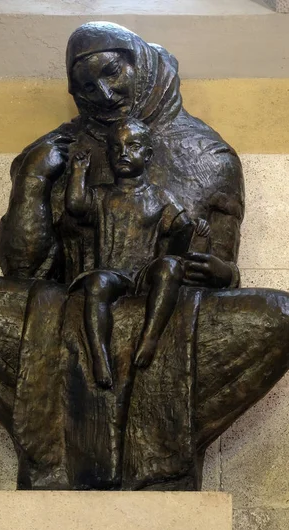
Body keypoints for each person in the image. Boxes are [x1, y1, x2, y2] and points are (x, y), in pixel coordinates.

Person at [0, 22, 289, 491]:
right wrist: (32, 180)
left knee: (280, 314)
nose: (103, 95)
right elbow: (22, 270)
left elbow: (218, 268)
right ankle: (66, 447)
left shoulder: (208, 153)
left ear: (141, 67)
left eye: (111, 74)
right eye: (85, 88)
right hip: (74, 305)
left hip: (165, 311)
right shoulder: (59, 151)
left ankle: (160, 457)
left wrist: (214, 270)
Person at [65, 117, 210, 388]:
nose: (123, 153)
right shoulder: (101, 195)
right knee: (97, 283)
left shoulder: (161, 197)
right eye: (116, 147)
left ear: (148, 154)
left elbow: (183, 233)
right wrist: (78, 172)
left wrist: (198, 235)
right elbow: (75, 206)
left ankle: (150, 336)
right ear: (107, 154)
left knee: (168, 267)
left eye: (132, 146)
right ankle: (99, 357)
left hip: (144, 274)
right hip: (111, 273)